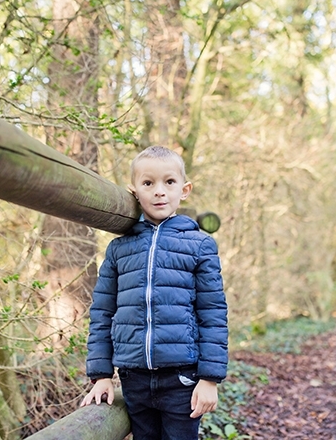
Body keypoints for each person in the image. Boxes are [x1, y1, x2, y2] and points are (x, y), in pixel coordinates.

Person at [80, 145, 229, 440]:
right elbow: (102, 312)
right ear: (134, 191)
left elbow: (212, 314)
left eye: (169, 182)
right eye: (148, 183)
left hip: (182, 378)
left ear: (184, 189)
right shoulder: (119, 249)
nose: (159, 191)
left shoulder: (199, 245)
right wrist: (101, 375)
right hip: (133, 377)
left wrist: (210, 378)